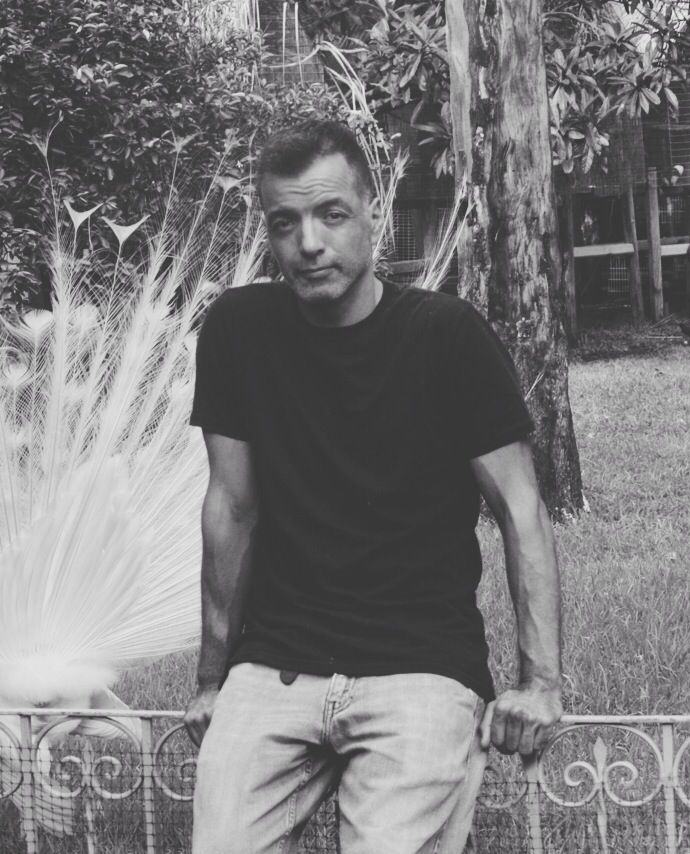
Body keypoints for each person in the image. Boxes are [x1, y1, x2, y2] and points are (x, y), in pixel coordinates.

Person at [183, 118, 564, 854]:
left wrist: (539, 681)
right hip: (276, 664)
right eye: (285, 222)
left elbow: (521, 508)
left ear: (373, 215)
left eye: (331, 215)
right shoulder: (237, 330)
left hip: (419, 667)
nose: (310, 243)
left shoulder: (446, 336)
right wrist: (210, 679)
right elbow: (232, 506)